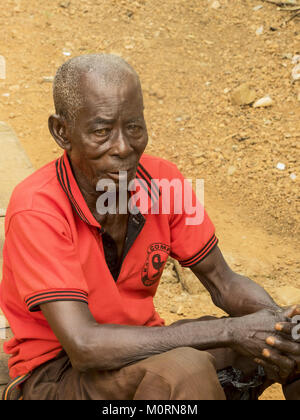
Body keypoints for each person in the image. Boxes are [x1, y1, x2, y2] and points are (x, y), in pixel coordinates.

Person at [0, 54, 299, 400]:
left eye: (134, 127)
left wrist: (280, 324)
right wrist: (232, 329)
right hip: (56, 374)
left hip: (142, 352)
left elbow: (224, 281)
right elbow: (84, 345)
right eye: (101, 131)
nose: (123, 147)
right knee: (184, 372)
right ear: (62, 132)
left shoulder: (162, 183)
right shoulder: (39, 208)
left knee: (281, 348)